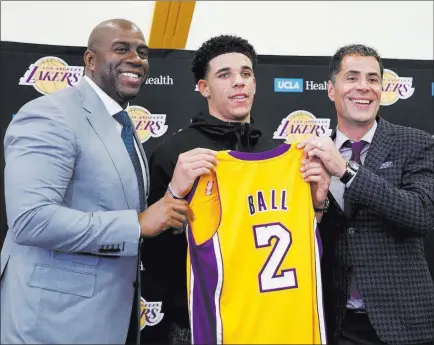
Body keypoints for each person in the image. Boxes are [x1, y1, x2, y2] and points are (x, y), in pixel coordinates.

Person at [0, 19, 216, 344]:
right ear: (90, 60)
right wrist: (137, 224)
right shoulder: (50, 114)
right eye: (121, 49)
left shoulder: (121, 124)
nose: (136, 59)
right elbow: (31, 221)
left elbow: (122, 207)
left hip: (110, 316)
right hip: (52, 323)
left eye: (142, 52)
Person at [144, 34, 330, 344]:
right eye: (225, 75)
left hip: (269, 317)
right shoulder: (175, 151)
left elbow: (301, 237)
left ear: (255, 83)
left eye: (245, 74)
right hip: (200, 317)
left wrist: (318, 203)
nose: (238, 82)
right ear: (204, 88)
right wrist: (175, 194)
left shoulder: (277, 151)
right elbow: (154, 250)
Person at [298, 44, 434, 345]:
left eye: (373, 79)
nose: (364, 87)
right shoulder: (309, 156)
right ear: (332, 90)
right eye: (352, 77)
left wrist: (346, 170)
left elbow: (421, 213)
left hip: (403, 325)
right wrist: (317, 208)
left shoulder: (415, 143)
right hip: (335, 323)